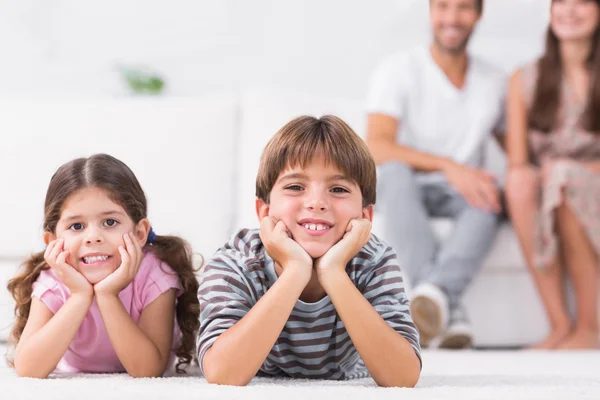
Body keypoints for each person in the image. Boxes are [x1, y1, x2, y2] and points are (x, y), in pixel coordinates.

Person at [197, 115, 421, 387]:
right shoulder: (237, 262)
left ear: (365, 216)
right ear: (264, 212)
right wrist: (295, 271)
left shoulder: (374, 260)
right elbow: (222, 374)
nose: (316, 202)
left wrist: (334, 272)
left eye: (338, 189)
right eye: (295, 187)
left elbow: (403, 377)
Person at [365, 0, 506, 349]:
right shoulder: (399, 69)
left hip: (461, 193)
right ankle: (450, 308)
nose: (452, 18)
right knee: (395, 173)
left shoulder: (494, 80)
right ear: (430, 12)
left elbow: (519, 150)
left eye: (463, 8)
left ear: (478, 14)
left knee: (488, 194)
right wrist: (449, 166)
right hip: (406, 187)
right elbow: (377, 146)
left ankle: (436, 297)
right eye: (443, 6)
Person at [7, 154, 200, 377]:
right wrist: (79, 296)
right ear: (53, 242)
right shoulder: (54, 280)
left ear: (139, 234)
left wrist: (108, 295)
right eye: (77, 226)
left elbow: (148, 370)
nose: (93, 237)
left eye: (110, 222)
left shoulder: (155, 275)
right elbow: (28, 369)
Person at [505, 0, 600, 350]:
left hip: (590, 180)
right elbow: (518, 161)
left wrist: (571, 171)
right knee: (518, 184)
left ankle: (590, 327)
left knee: (564, 177)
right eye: (561, 2)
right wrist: (550, 175)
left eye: (582, 2)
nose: (569, 10)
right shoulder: (525, 78)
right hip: (550, 184)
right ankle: (560, 323)